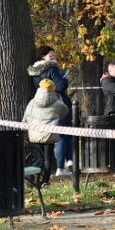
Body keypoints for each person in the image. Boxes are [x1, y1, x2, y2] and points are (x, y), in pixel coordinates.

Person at [28, 45, 73, 176]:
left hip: (42, 108)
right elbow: (61, 86)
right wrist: (65, 79)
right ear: (43, 56)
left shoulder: (35, 72)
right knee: (63, 135)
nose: (53, 58)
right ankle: (60, 167)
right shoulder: (52, 68)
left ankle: (63, 163)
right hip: (57, 103)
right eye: (50, 56)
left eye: (54, 55)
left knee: (55, 136)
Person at [22, 79, 70, 181]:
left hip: (34, 134)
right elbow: (64, 113)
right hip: (49, 135)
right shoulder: (57, 103)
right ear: (53, 89)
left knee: (37, 156)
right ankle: (45, 181)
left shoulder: (32, 101)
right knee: (47, 158)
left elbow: (26, 117)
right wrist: (60, 98)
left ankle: (33, 177)